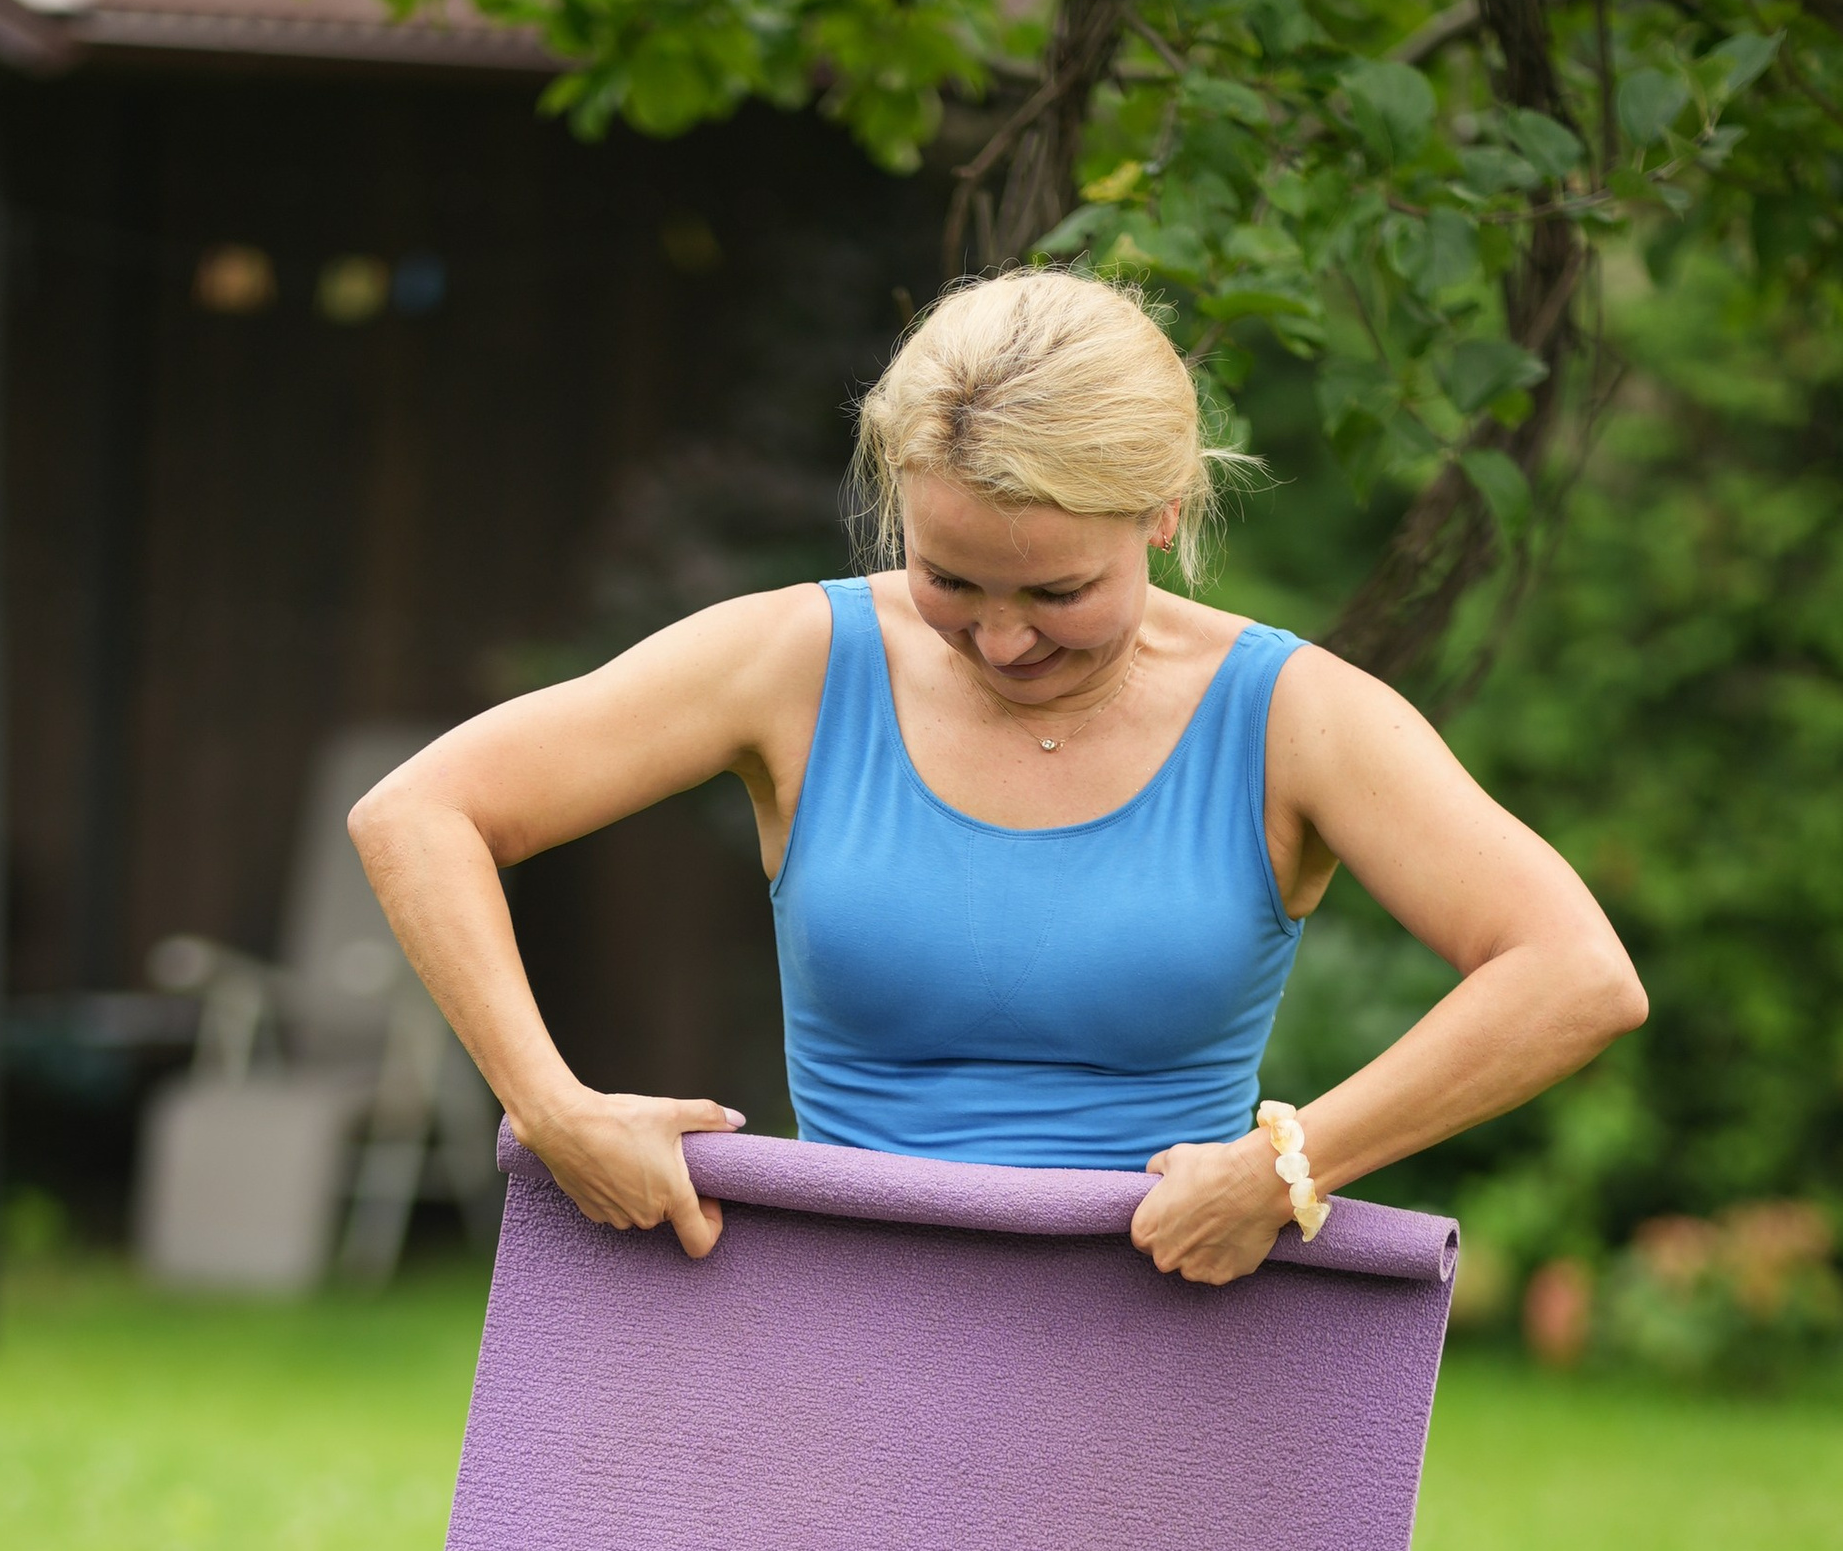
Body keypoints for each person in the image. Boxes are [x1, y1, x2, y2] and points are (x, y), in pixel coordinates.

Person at [346, 269, 1645, 1269]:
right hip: (844, 1340)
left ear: (1163, 516)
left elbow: (1574, 975)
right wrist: (553, 1105)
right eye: (951, 579)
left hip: (1169, 1351)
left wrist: (1289, 1167)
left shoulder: (1292, 717)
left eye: (1060, 590)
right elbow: (422, 810)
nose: (1004, 637)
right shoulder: (794, 662)